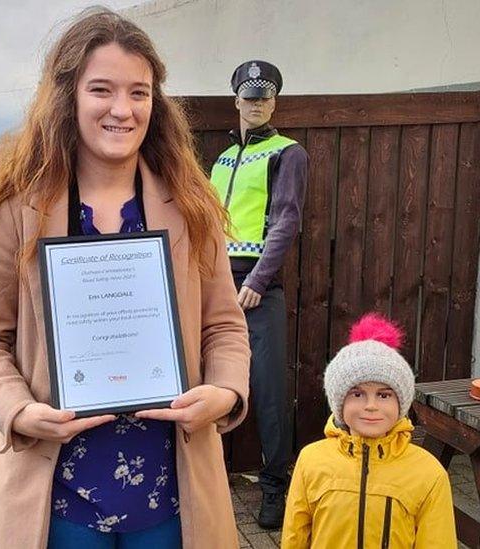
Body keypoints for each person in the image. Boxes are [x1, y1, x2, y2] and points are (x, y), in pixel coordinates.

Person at [0, 8, 250, 549]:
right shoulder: (16, 208)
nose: (123, 109)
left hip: (170, 492)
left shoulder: (190, 206)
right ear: (67, 95)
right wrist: (17, 410)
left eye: (139, 92)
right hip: (58, 495)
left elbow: (225, 326)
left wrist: (226, 391)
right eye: (102, 89)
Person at [208, 59, 307, 529]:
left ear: (275, 101)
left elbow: (287, 221)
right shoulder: (222, 159)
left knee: (268, 392)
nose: (256, 104)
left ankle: (274, 489)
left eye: (265, 96)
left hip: (256, 291)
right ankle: (206, 481)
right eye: (249, 97)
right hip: (215, 287)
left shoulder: (288, 153)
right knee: (206, 383)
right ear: (237, 101)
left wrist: (257, 281)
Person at [281, 314, 457, 548]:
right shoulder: (311, 461)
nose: (371, 405)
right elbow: (295, 534)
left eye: (384, 395)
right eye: (357, 394)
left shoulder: (429, 474)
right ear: (339, 402)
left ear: (400, 404)